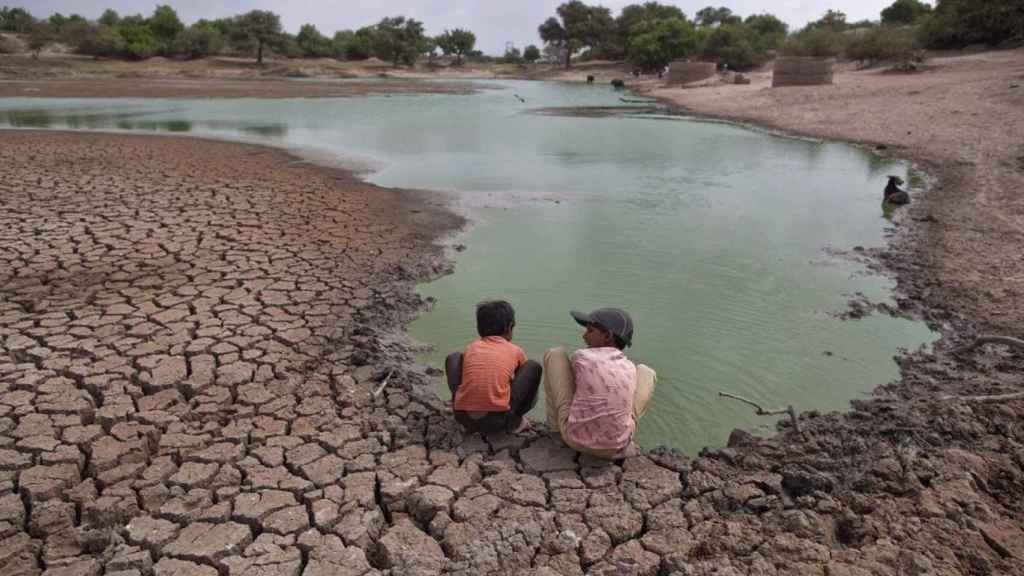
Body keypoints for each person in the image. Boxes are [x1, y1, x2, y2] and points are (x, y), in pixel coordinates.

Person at [543, 307, 656, 459]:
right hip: (617, 446)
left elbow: (575, 387)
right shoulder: (629, 367)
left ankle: (556, 429)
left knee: (555, 354)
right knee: (647, 372)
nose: (584, 336)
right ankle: (624, 436)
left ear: (608, 336)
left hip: (575, 440)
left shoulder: (582, 356)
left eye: (590, 331)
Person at [446, 300, 542, 434]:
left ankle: (462, 406)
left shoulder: (471, 348)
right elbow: (525, 385)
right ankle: (516, 422)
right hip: (498, 423)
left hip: (463, 418)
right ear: (509, 327)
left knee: (454, 357)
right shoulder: (515, 350)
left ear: (479, 328)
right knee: (533, 366)